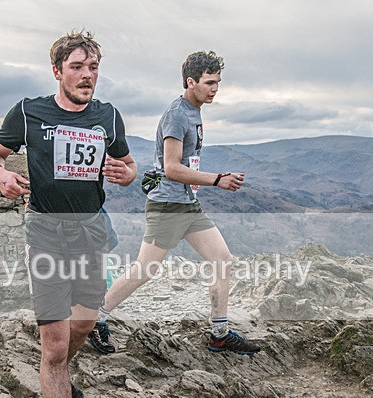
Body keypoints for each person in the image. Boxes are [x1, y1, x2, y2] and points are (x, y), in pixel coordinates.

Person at [0, 31, 136, 398]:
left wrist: (123, 173)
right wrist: (0, 173)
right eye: (77, 67)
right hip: (45, 231)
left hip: (89, 231)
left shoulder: (108, 116)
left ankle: (61, 377)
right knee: (52, 345)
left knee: (84, 325)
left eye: (93, 67)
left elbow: (127, 167)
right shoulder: (29, 112)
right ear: (57, 72)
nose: (87, 75)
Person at [88, 50, 260, 356]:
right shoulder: (178, 114)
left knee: (223, 260)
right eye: (209, 82)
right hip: (168, 205)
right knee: (145, 269)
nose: (215, 89)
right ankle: (95, 319)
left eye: (218, 82)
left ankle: (219, 333)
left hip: (187, 205)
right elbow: (171, 167)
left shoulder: (194, 110)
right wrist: (217, 179)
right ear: (190, 81)